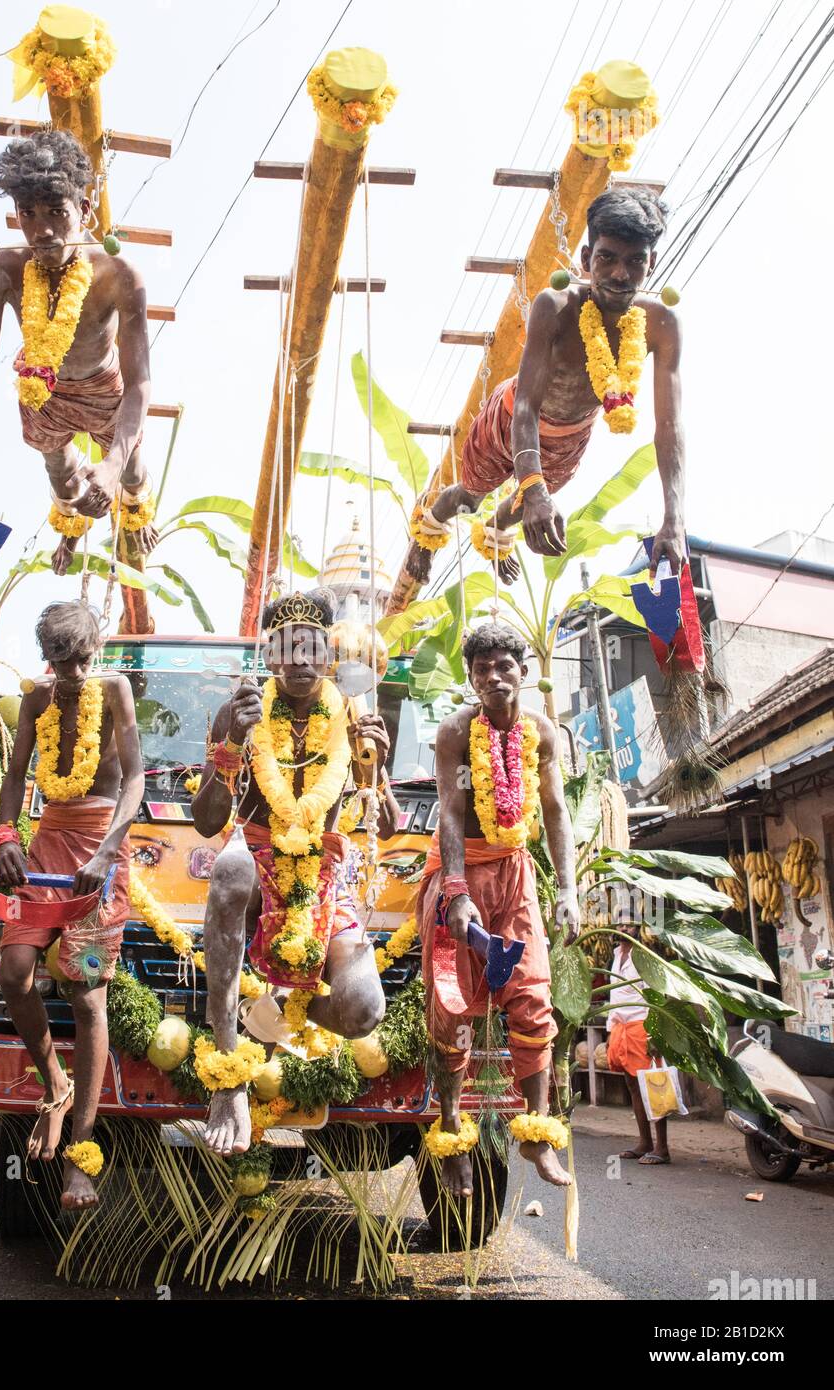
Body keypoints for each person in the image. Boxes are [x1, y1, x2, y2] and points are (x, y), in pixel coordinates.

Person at [192, 588, 400, 1157]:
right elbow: (209, 821)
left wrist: (376, 767)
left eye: (314, 646)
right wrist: (233, 741)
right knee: (231, 868)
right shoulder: (242, 708)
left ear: (328, 653)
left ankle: (282, 1012)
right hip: (259, 860)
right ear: (271, 654)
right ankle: (229, 1076)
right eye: (289, 647)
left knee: (364, 1012)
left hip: (327, 875)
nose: (303, 660)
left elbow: (388, 820)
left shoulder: (356, 712)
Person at [418, 188, 685, 581]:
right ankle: (426, 534)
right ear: (585, 259)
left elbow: (669, 426)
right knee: (471, 497)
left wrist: (673, 520)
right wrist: (534, 488)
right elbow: (525, 406)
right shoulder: (556, 305)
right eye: (606, 258)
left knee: (524, 505)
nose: (620, 274)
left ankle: (496, 531)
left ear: (652, 263)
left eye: (635, 262)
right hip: (510, 418)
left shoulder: (661, 324)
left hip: (570, 438)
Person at [0, 129, 155, 577]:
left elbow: (139, 383)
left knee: (130, 472)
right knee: (62, 478)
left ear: (85, 209)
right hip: (43, 389)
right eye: (28, 213)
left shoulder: (119, 274)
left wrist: (112, 465)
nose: (43, 230)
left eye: (57, 212)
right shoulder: (1, 269)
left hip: (104, 388)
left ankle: (134, 508)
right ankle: (70, 527)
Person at [0, 600, 144, 1211]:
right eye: (60, 662)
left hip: (100, 845)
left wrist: (108, 852)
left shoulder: (116, 692)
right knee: (12, 973)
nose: (73, 673)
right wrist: (6, 836)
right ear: (46, 659)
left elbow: (133, 779)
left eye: (81, 659)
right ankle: (53, 1080)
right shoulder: (36, 698)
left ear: (96, 650)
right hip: (48, 838)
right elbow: (14, 774)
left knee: (86, 997)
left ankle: (81, 1155)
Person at [420, 621, 579, 1195]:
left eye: (503, 665)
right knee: (454, 1007)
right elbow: (451, 811)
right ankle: (452, 1133)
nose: (493, 676)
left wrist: (567, 888)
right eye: (481, 668)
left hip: (516, 873)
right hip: (460, 873)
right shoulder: (455, 732)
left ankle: (536, 1134)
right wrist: (457, 891)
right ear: (470, 677)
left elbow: (556, 810)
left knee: (533, 994)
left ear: (524, 671)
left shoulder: (543, 732)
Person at [606, 934, 670, 1165]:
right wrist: (610, 1027)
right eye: (620, 922)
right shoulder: (616, 954)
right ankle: (645, 1142)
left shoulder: (643, 955)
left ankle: (662, 1147)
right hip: (620, 1026)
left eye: (629, 923)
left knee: (654, 1086)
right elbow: (616, 994)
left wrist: (655, 1035)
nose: (623, 927)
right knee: (632, 1086)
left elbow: (656, 994)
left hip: (642, 1025)